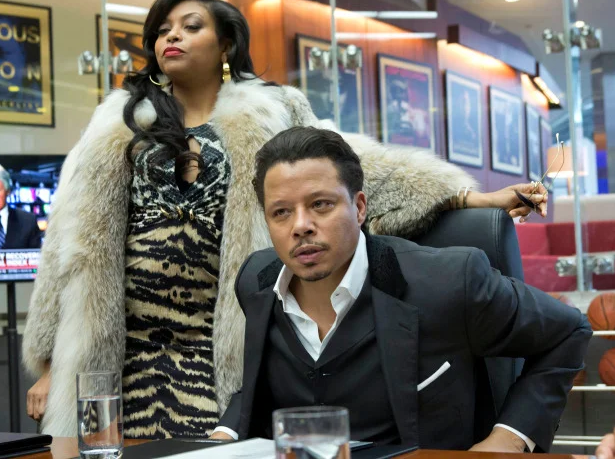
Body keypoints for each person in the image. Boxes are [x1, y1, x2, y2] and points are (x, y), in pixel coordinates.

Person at [22, 0, 549, 438]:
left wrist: (465, 196)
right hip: (122, 357)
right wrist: (49, 361)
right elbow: (70, 243)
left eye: (190, 26)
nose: (171, 37)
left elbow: (352, 169)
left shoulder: (273, 110)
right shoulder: (116, 125)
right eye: (162, 31)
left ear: (225, 43)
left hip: (218, 351)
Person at [212, 127, 591, 451]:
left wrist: (507, 439)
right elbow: (262, 381)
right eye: (281, 212)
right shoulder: (256, 281)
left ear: (360, 208)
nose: (300, 226)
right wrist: (222, 437)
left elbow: (568, 330)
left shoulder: (449, 282)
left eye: (321, 205)